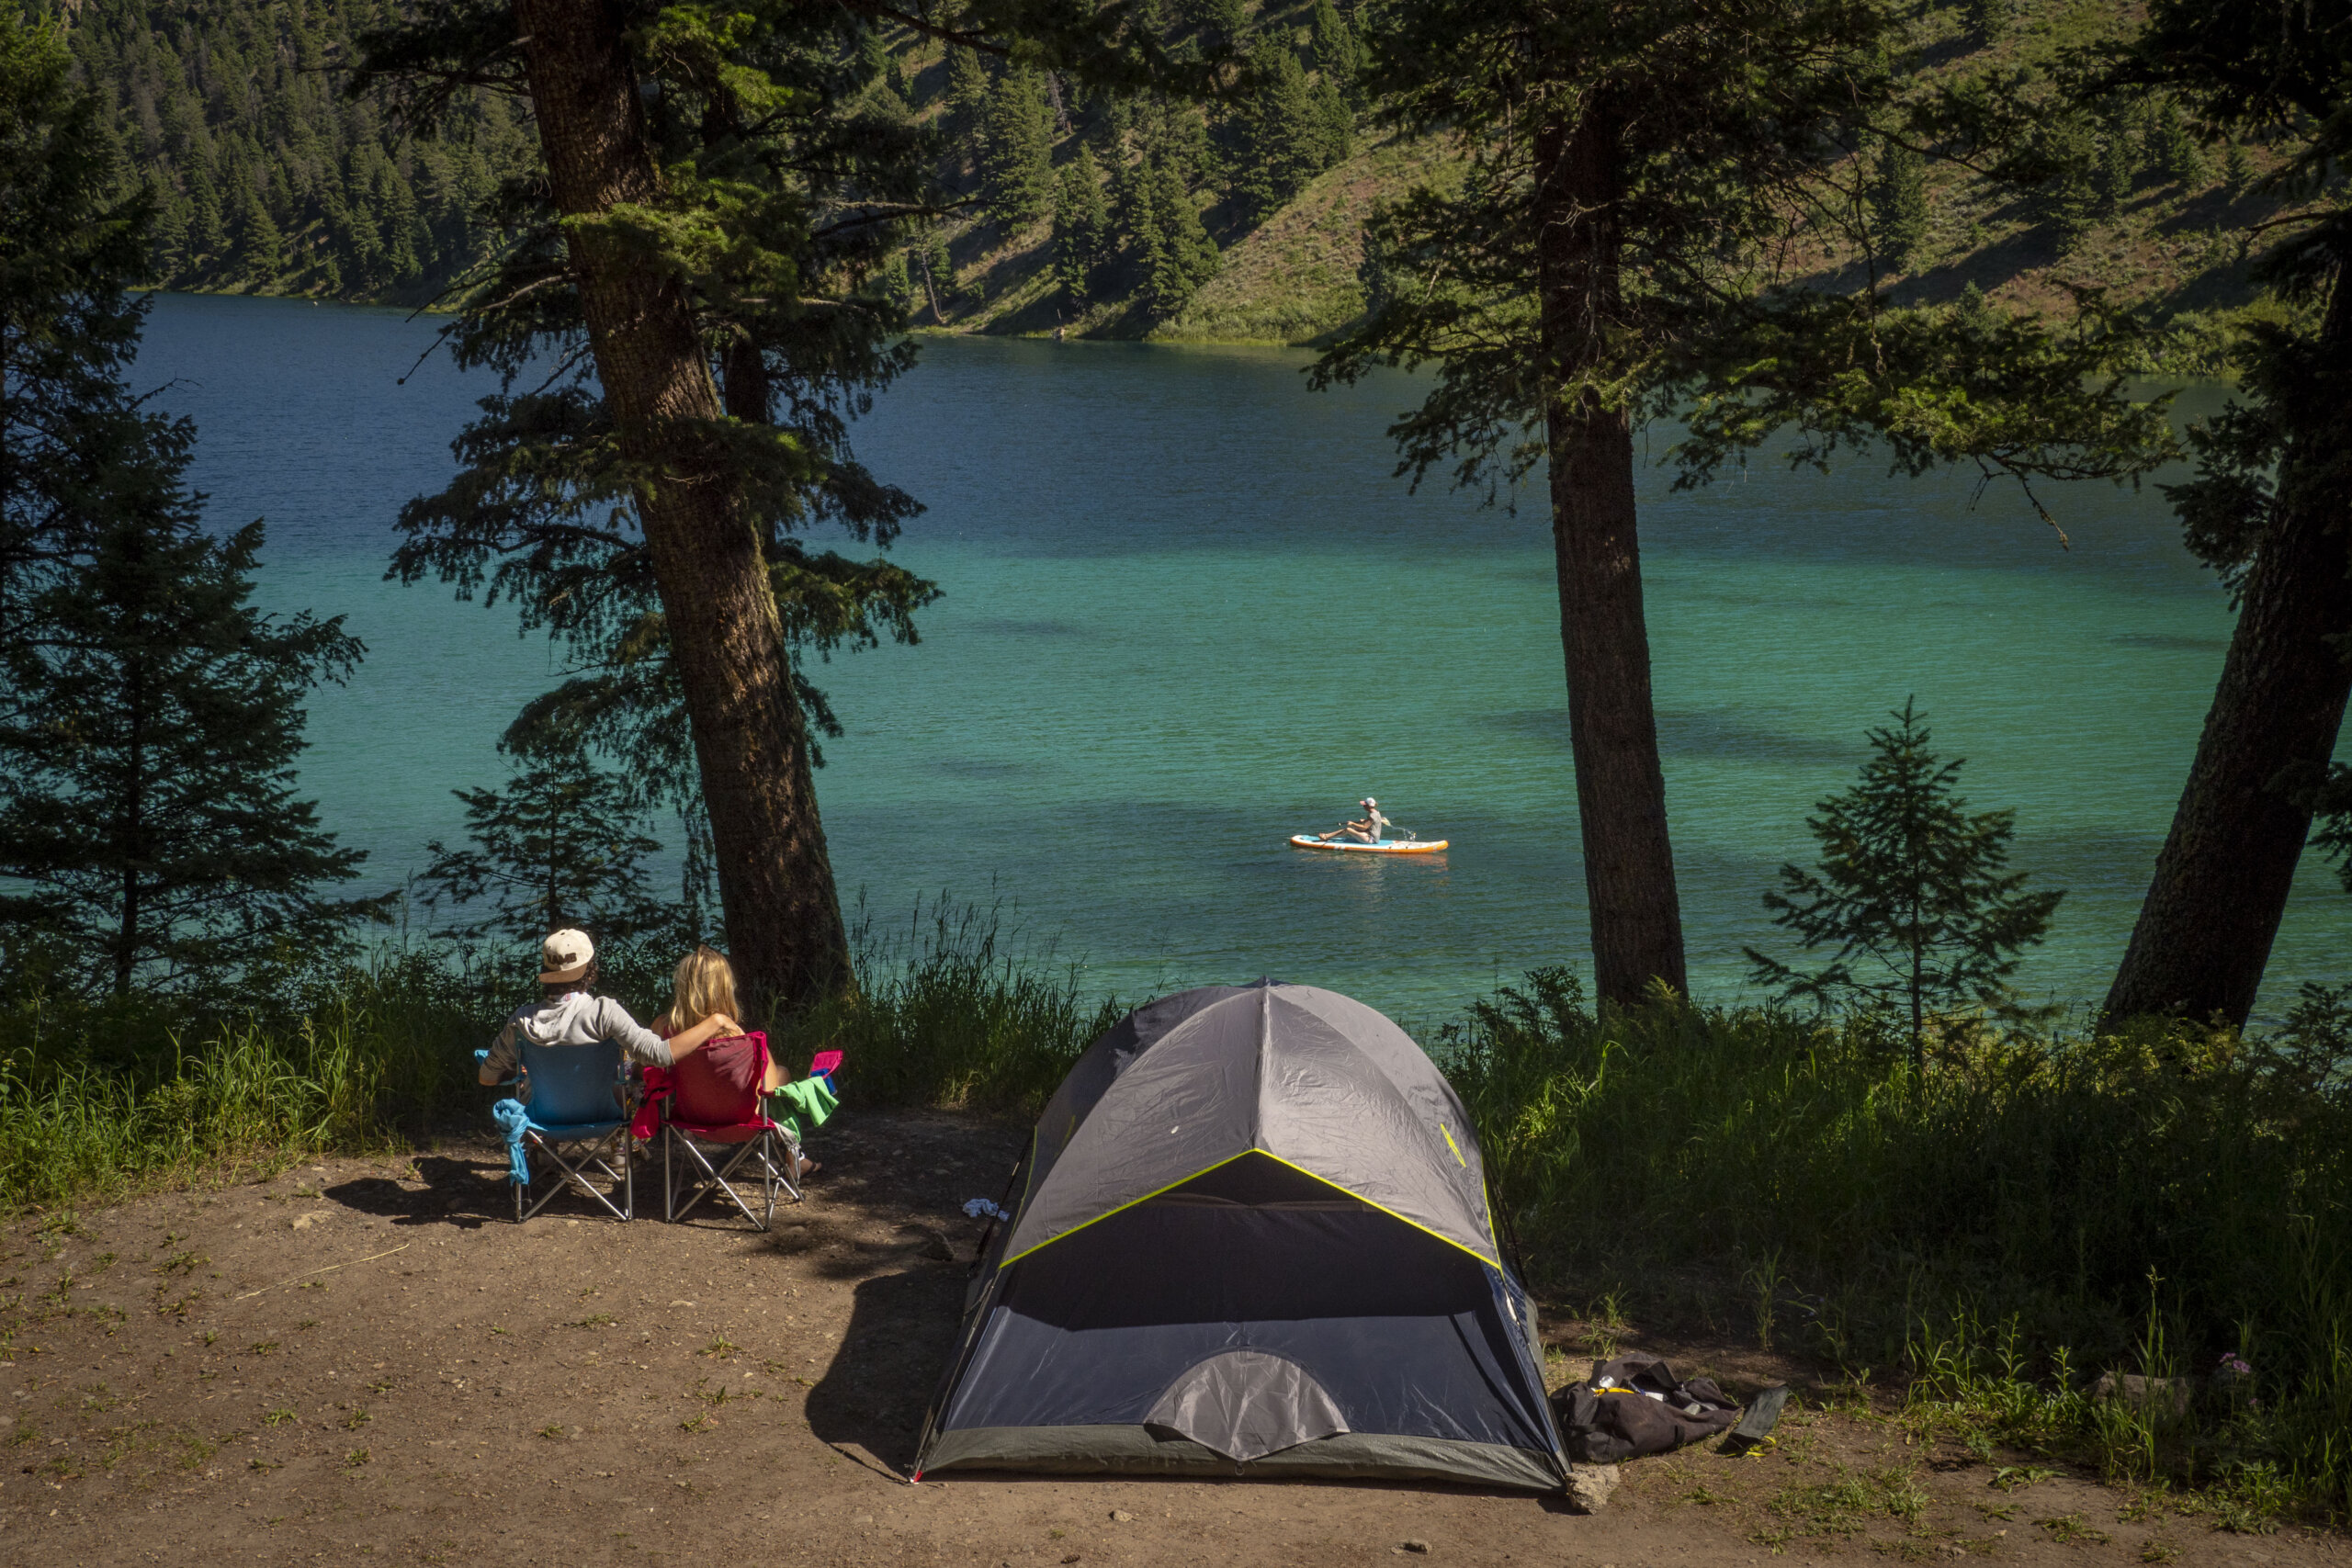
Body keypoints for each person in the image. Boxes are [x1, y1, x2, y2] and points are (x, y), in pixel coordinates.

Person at [478, 929, 741, 1096]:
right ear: (591, 970)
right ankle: (623, 1151)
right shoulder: (604, 1012)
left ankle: (543, 1152)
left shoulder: (522, 1020)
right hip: (601, 1114)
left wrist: (523, 1070)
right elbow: (659, 1054)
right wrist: (716, 1020)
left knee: (536, 1089)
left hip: (544, 1117)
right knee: (630, 1078)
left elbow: (487, 1077)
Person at [655, 944, 818, 1178]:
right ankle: (795, 1159)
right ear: (725, 988)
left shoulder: (664, 1030)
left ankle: (797, 1159)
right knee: (781, 1075)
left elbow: (646, 1069)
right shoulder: (742, 1042)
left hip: (690, 1121)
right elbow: (769, 1090)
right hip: (741, 1125)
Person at [1318, 797, 1391, 844]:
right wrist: (1364, 821)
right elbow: (1372, 823)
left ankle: (1327, 837)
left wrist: (1353, 823)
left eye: (1364, 805)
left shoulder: (1372, 815)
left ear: (1368, 806)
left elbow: (1364, 827)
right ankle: (1327, 836)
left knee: (1348, 829)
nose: (1363, 806)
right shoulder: (1376, 812)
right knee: (1353, 829)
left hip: (1371, 839)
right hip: (1370, 835)